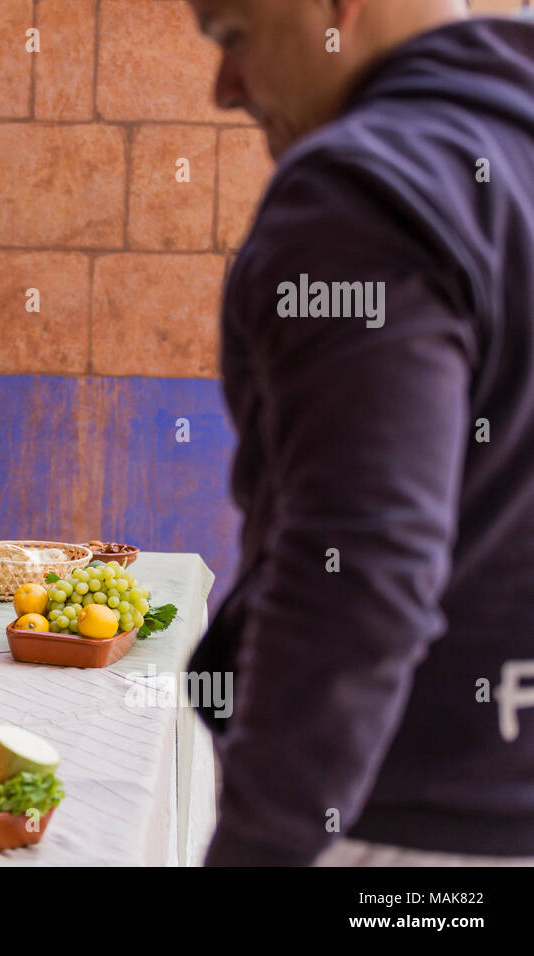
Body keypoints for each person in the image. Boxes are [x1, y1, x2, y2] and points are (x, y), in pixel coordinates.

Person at [188, 0, 534, 864]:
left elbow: (361, 567)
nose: (224, 88)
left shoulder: (362, 191)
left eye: (233, 36)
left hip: (409, 842)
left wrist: (260, 849)